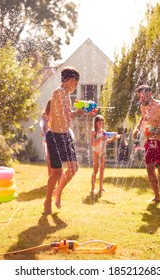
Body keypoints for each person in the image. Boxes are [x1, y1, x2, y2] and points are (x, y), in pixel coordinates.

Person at [44, 67, 90, 215]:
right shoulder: (58, 93)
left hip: (65, 135)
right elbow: (66, 115)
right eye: (76, 83)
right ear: (71, 80)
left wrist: (82, 110)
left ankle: (57, 192)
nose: (75, 86)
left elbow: (67, 114)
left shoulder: (66, 95)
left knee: (73, 167)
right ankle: (47, 201)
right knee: (56, 172)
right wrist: (78, 112)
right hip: (55, 136)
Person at [132, 84, 160, 202]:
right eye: (139, 97)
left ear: (150, 93)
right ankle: (157, 196)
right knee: (149, 169)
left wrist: (155, 132)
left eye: (143, 96)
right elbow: (143, 118)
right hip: (151, 141)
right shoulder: (143, 106)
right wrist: (137, 128)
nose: (141, 99)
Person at [90, 115, 120, 196]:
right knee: (95, 170)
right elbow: (92, 143)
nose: (101, 124)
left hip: (103, 151)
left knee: (102, 170)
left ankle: (101, 187)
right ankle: (93, 188)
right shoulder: (93, 131)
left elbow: (106, 141)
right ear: (96, 123)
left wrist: (113, 139)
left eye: (102, 123)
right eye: (100, 123)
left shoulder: (103, 131)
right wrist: (100, 139)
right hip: (95, 151)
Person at [39, 99, 52, 177]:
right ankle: (50, 177)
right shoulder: (45, 116)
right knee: (50, 159)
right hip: (48, 137)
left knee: (51, 159)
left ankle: (52, 177)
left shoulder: (46, 115)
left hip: (50, 136)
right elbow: (45, 127)